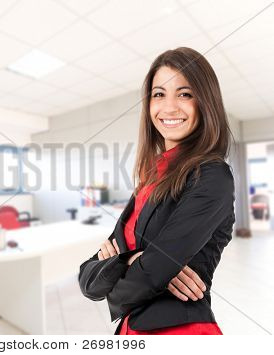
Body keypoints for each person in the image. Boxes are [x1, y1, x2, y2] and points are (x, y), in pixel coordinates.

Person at [78, 47, 236, 335]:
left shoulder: (212, 176)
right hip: (131, 330)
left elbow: (147, 277)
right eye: (159, 94)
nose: (170, 107)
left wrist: (118, 270)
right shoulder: (150, 179)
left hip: (180, 330)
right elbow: (86, 279)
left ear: (206, 102)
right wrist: (128, 260)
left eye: (185, 94)